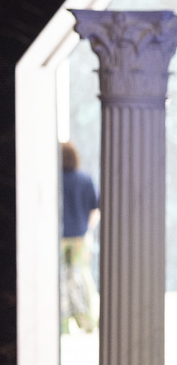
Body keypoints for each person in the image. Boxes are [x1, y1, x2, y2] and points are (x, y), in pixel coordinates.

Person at [60, 141, 100, 334]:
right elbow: (96, 209)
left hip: (58, 239)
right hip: (80, 238)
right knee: (83, 276)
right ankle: (88, 322)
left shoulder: (55, 180)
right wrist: (87, 229)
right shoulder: (85, 179)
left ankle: (63, 323)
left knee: (60, 279)